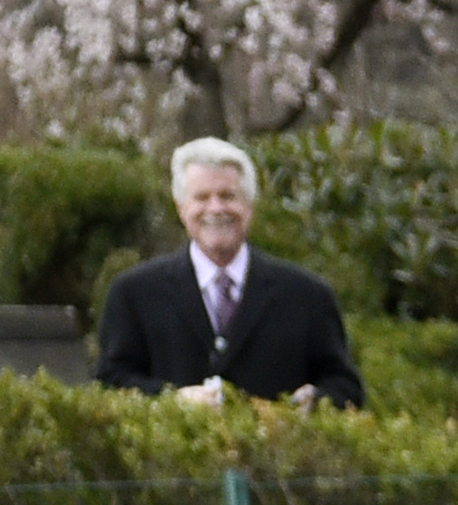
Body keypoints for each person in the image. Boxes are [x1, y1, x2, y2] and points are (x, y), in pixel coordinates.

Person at [95, 138, 368, 410]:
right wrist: (173, 400)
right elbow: (110, 384)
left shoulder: (307, 295)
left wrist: (315, 401)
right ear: (181, 208)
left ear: (249, 205)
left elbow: (345, 386)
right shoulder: (134, 293)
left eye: (228, 196)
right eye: (202, 197)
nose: (216, 209)